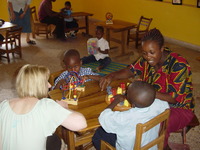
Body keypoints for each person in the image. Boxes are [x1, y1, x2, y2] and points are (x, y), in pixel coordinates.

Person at [99, 28, 195, 149]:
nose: (148, 57)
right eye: (144, 53)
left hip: (179, 108)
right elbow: (130, 70)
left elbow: (174, 98)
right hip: (152, 101)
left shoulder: (178, 64)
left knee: (156, 124)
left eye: (151, 52)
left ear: (162, 48)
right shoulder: (146, 59)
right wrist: (112, 75)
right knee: (132, 114)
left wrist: (146, 93)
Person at [0, 64, 87, 150]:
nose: (49, 85)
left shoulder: (4, 105)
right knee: (56, 141)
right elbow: (81, 124)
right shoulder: (45, 105)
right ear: (37, 85)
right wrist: (63, 108)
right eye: (46, 81)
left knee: (54, 138)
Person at [92, 80, 169, 150]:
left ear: (132, 104)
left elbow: (104, 117)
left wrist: (116, 101)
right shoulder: (159, 104)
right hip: (150, 146)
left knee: (99, 133)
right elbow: (166, 106)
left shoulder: (125, 118)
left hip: (129, 147)